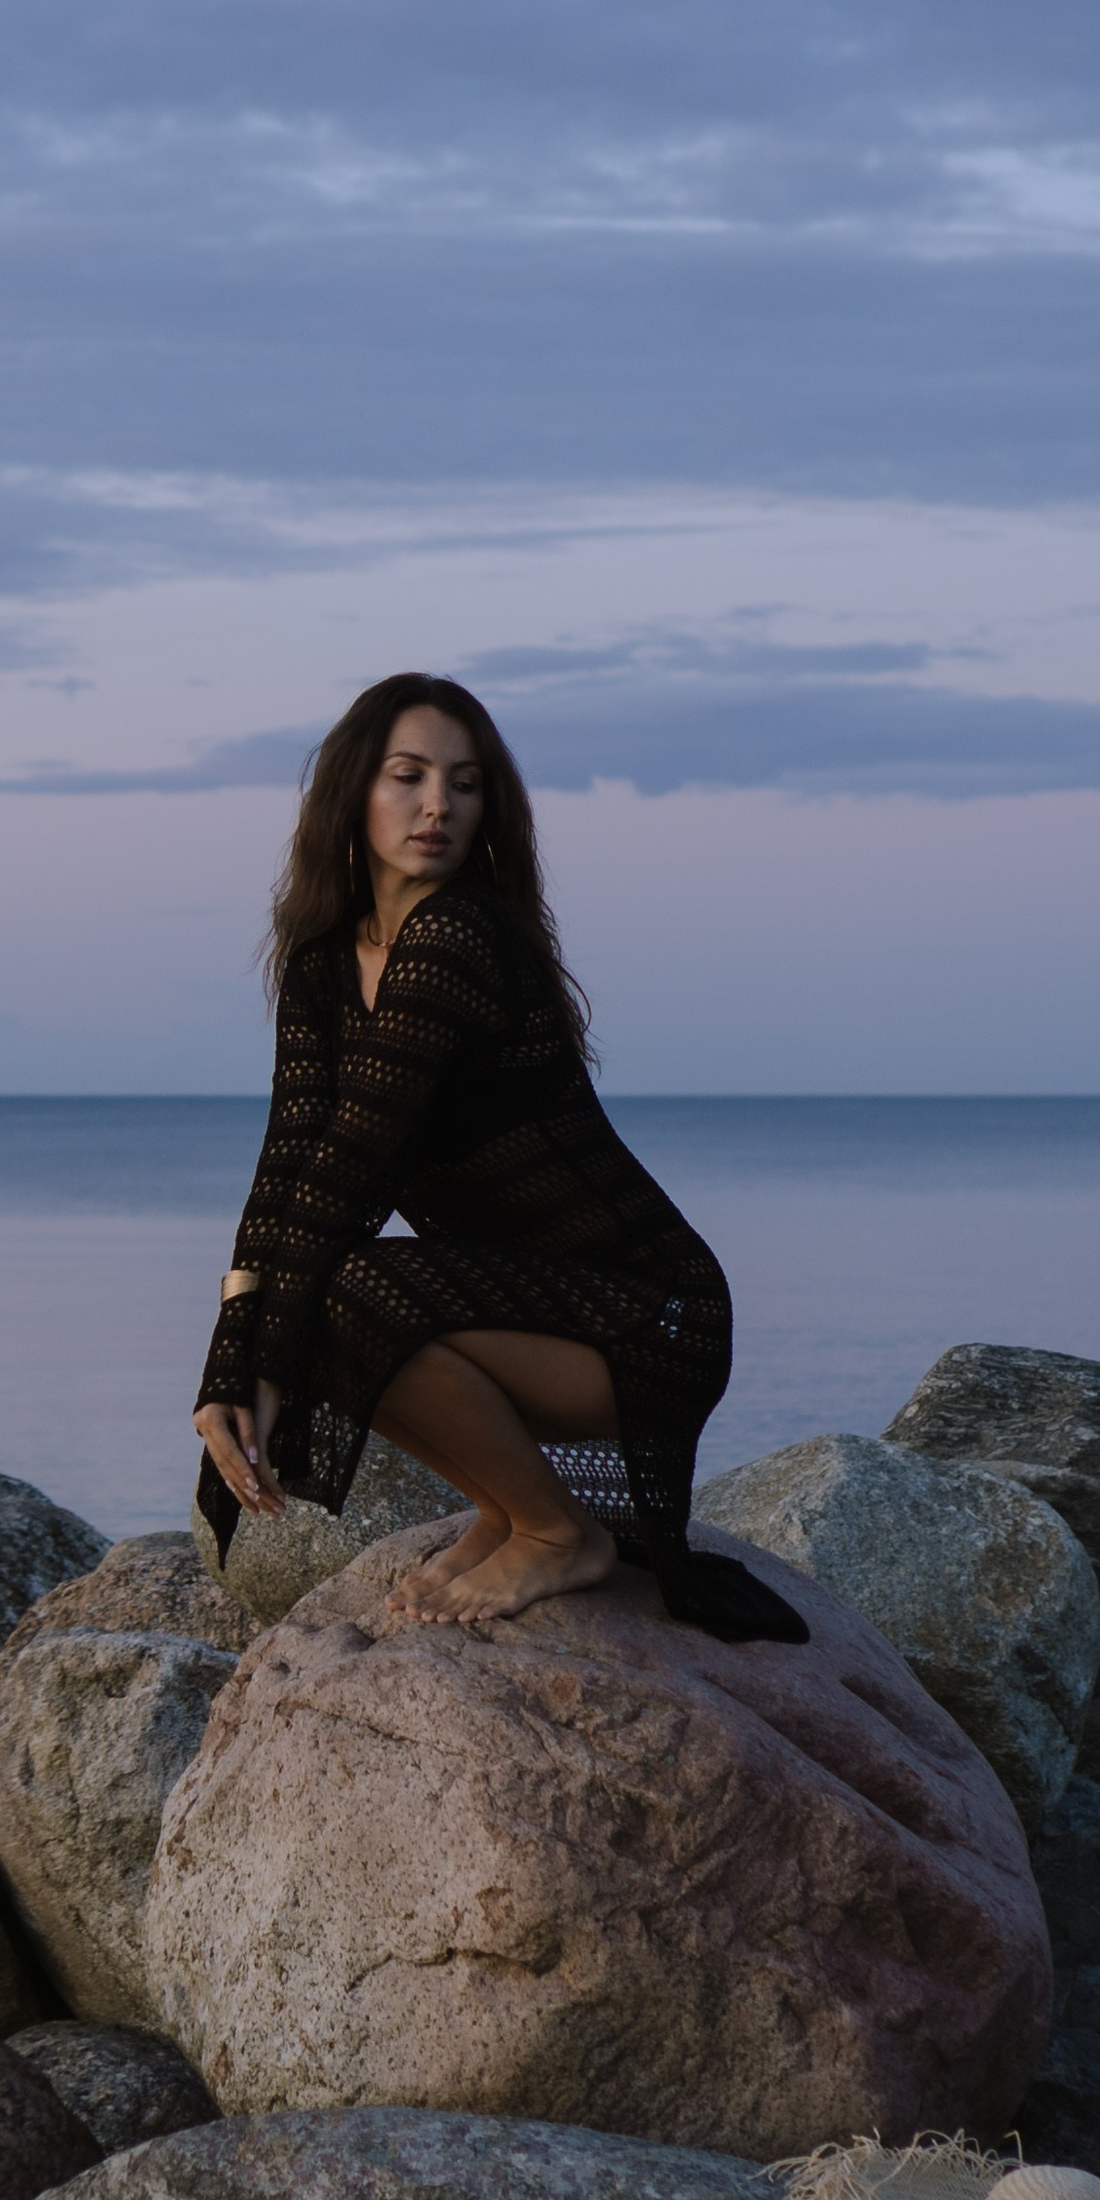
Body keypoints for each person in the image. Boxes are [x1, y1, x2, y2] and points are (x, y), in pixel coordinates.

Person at [194, 673, 804, 1640]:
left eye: (465, 783)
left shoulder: (458, 939)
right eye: (409, 776)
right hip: (528, 1307)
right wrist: (233, 1358)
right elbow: (291, 1160)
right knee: (312, 1298)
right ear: (353, 792)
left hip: (651, 1316)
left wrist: (258, 1355)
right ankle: (508, 1505)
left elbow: (355, 1169)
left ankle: (557, 1532)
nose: (438, 805)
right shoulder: (322, 959)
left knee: (341, 1292)